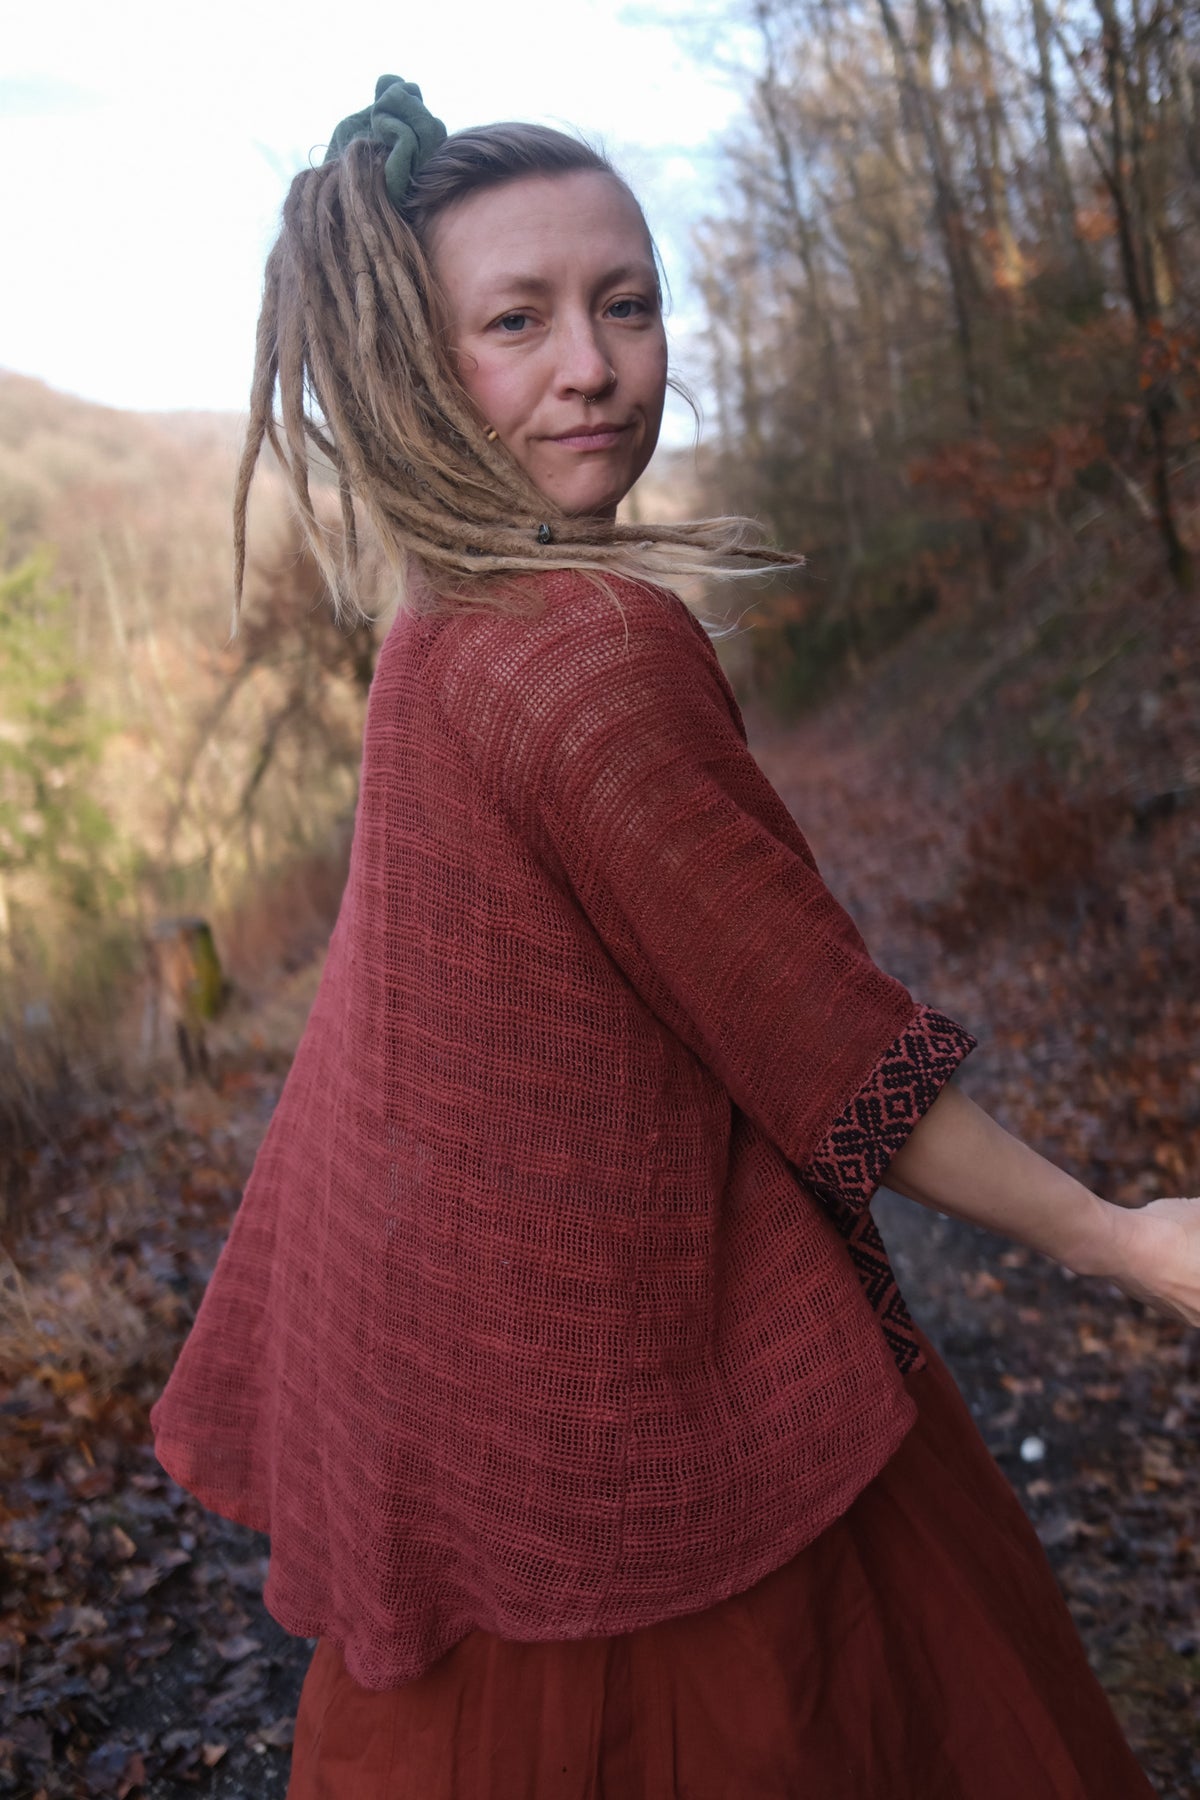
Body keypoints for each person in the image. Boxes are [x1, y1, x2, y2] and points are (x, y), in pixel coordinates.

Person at [148, 75, 1198, 1799]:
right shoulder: (587, 653)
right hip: (630, 1407)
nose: (594, 364)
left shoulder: (445, 619)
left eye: (625, 305)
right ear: (424, 367)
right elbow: (822, 1049)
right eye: (519, 321)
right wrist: (1122, 1239)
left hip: (478, 1387)